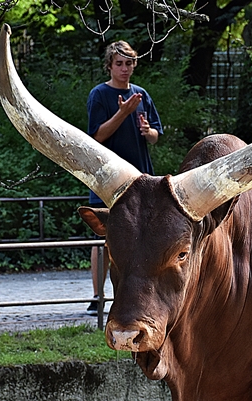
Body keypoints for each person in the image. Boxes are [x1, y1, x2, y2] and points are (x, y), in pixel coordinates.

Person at [84, 40, 162, 314]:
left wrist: (146, 131)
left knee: (141, 239)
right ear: (109, 66)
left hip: (141, 180)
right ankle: (98, 297)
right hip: (107, 180)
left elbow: (155, 137)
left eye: (129, 63)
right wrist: (122, 113)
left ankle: (139, 294)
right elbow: (96, 136)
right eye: (119, 63)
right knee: (104, 239)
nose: (125, 68)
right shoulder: (99, 95)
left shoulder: (142, 95)